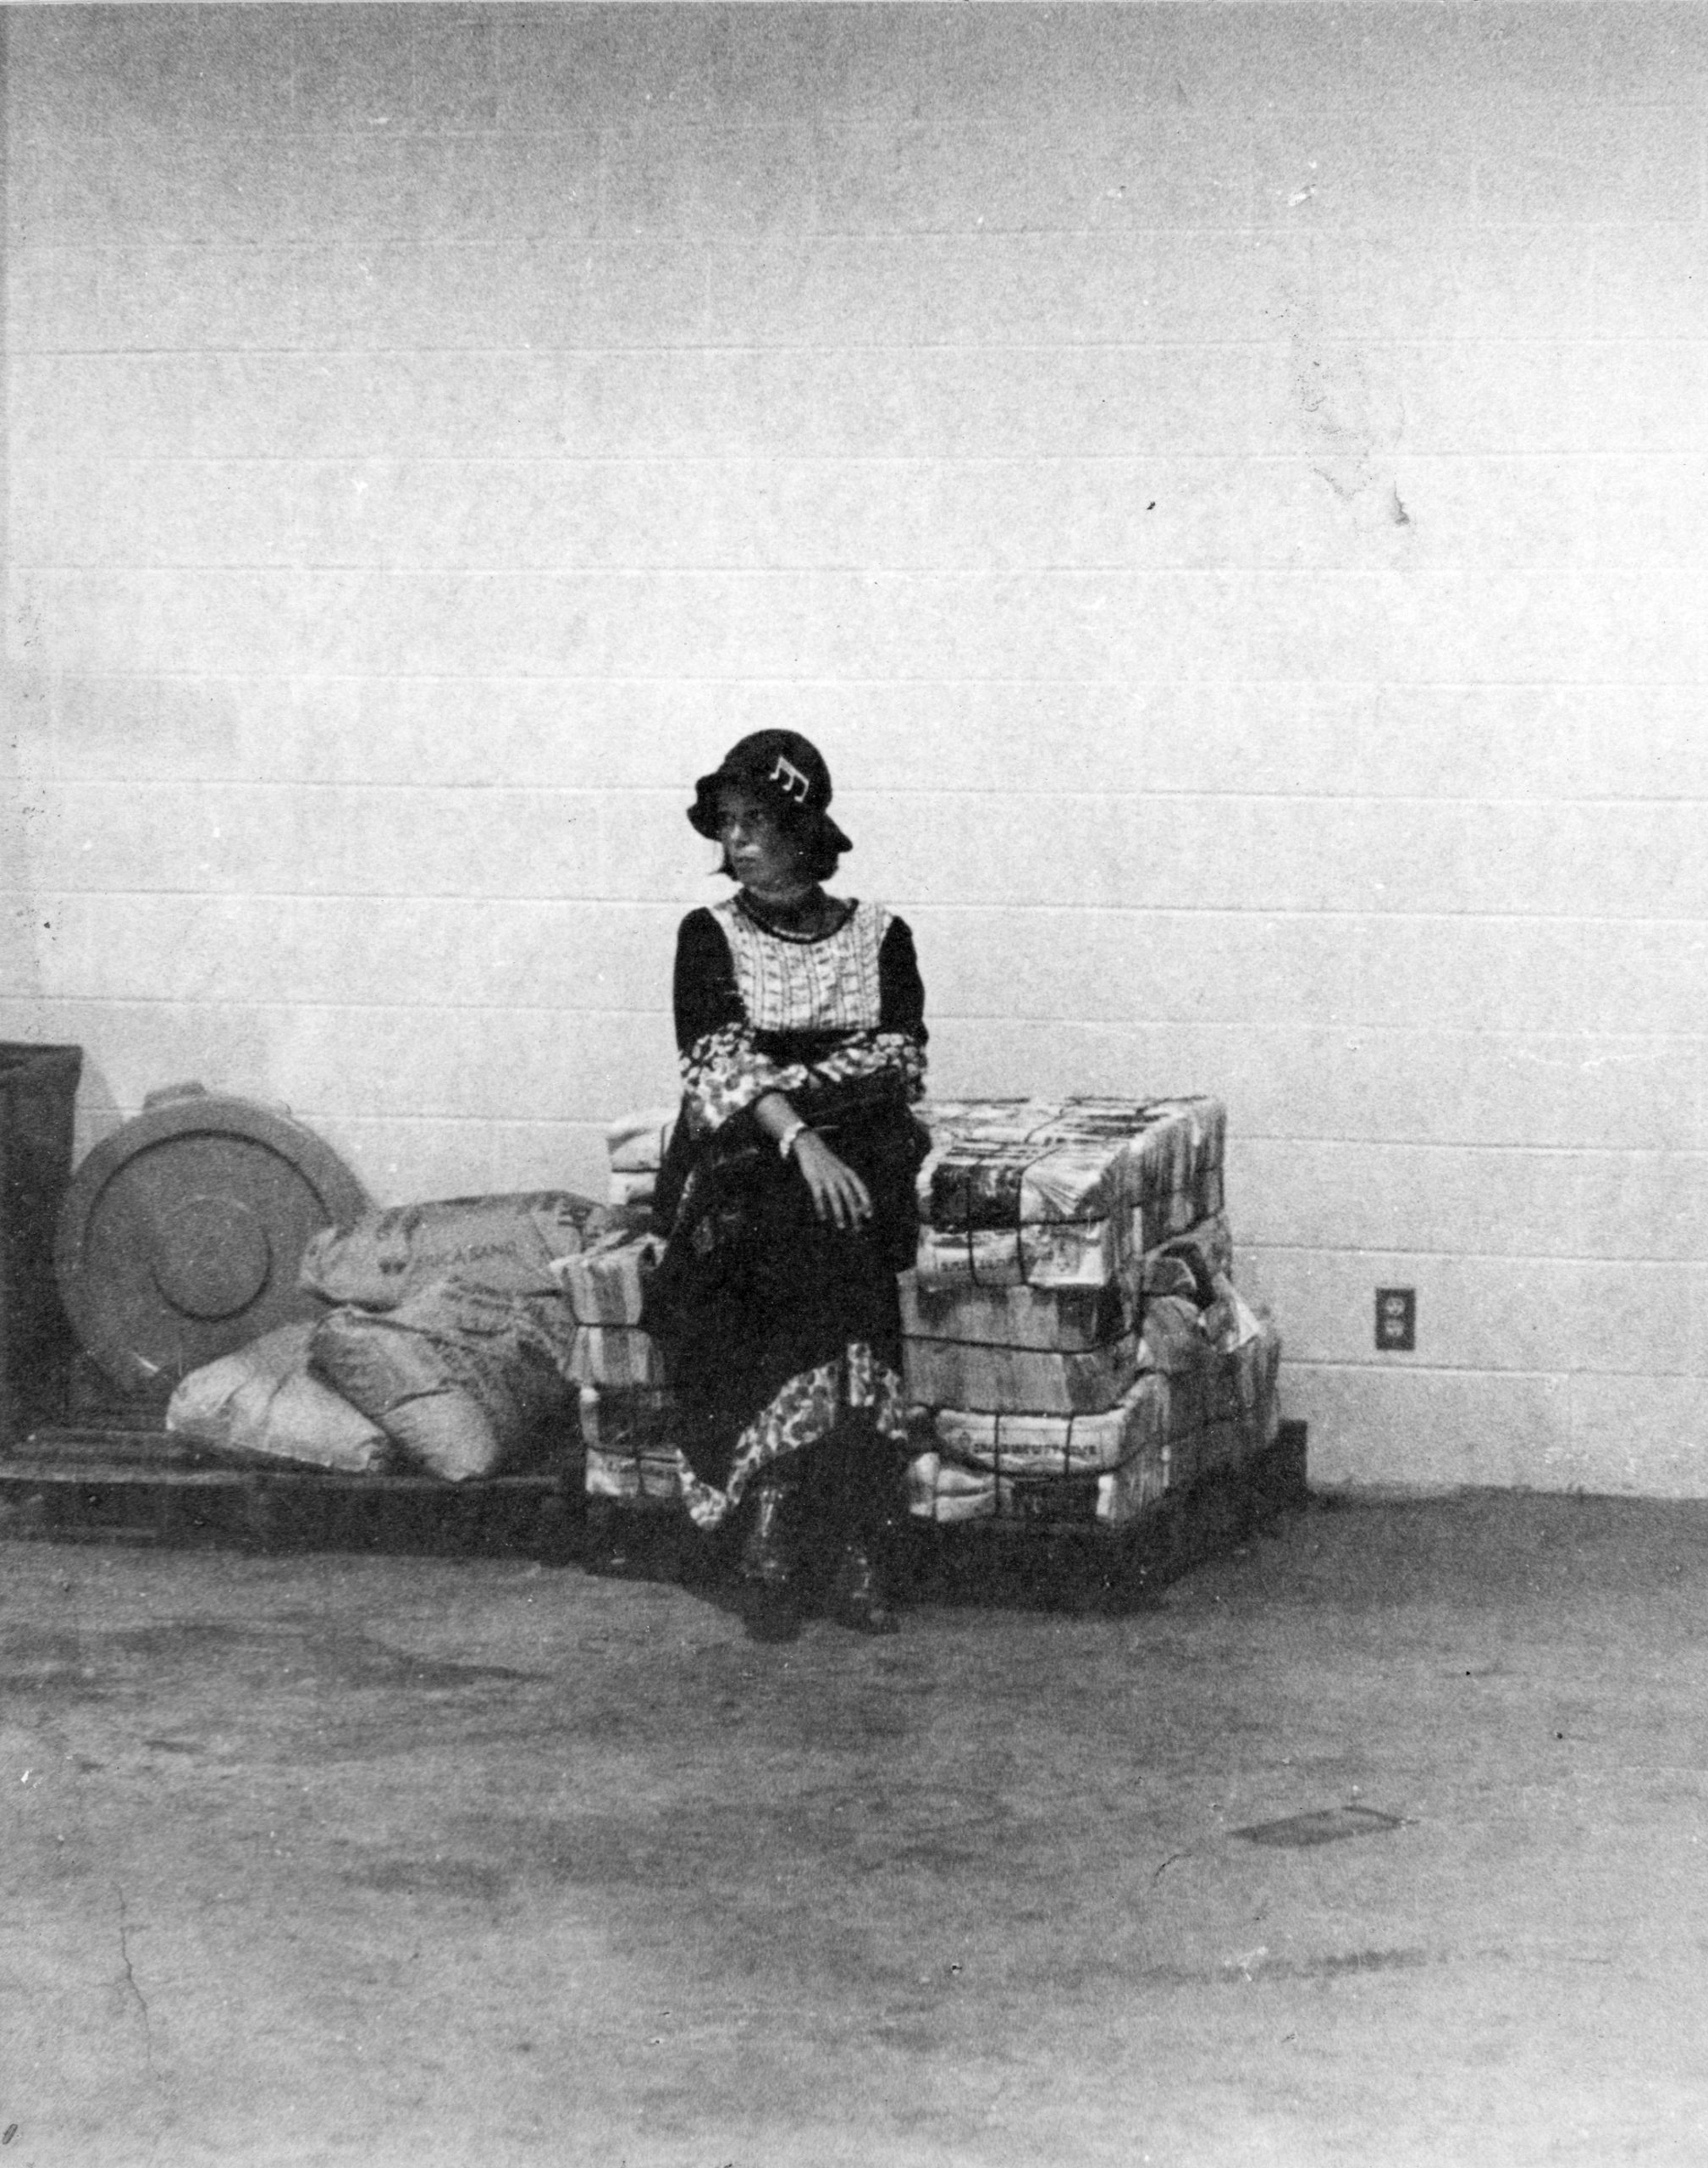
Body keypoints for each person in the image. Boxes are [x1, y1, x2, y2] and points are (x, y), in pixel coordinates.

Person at [641, 731, 929, 1639]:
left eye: (757, 822)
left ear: (806, 829)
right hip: (743, 1154)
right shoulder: (708, 935)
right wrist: (801, 1132)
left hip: (863, 1145)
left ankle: (837, 1533)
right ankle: (786, 1518)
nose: (738, 843)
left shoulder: (881, 934)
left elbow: (899, 1057)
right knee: (788, 1224)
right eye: (726, 825)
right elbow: (718, 1065)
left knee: (851, 1225)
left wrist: (791, 1089)